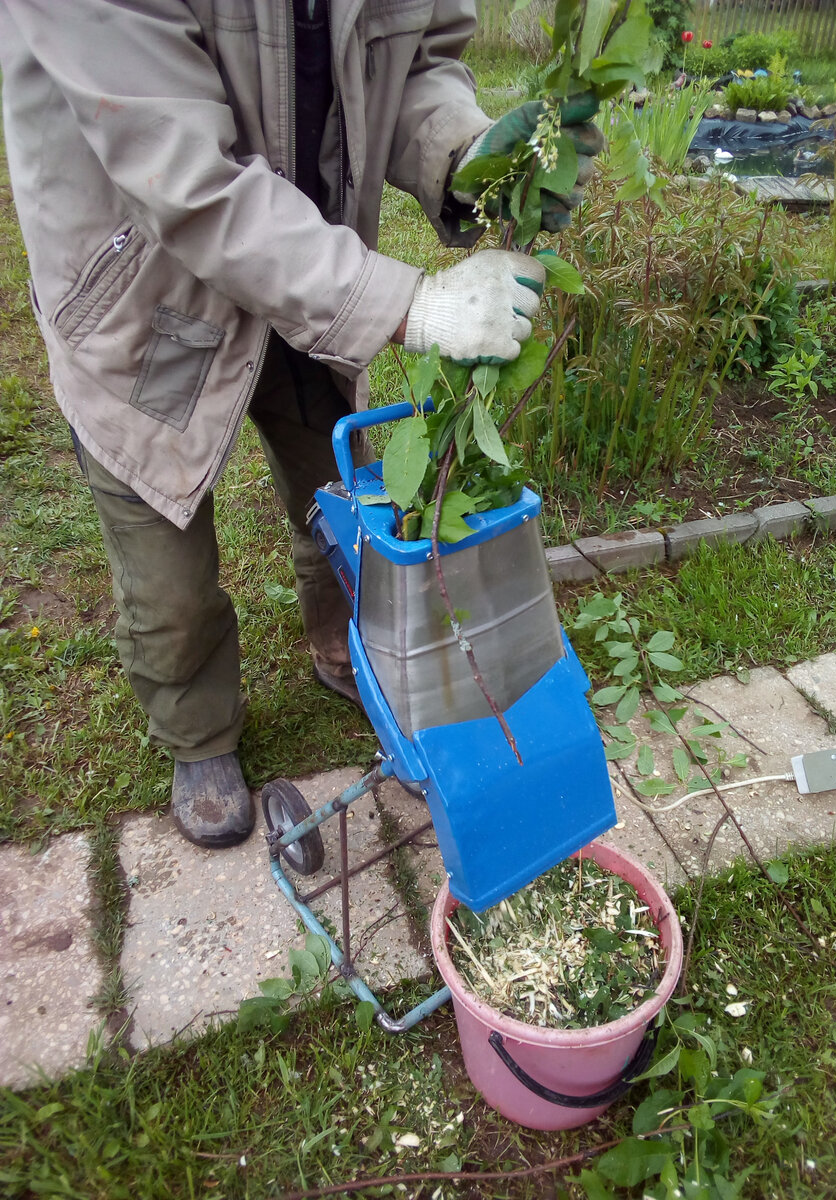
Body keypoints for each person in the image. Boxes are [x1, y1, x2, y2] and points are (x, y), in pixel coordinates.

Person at [0, 0, 601, 850]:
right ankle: (199, 732)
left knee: (336, 488)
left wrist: (466, 154)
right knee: (166, 564)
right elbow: (183, 176)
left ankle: (341, 643)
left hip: (309, 268)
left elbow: (416, 60)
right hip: (152, 293)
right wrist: (410, 306)